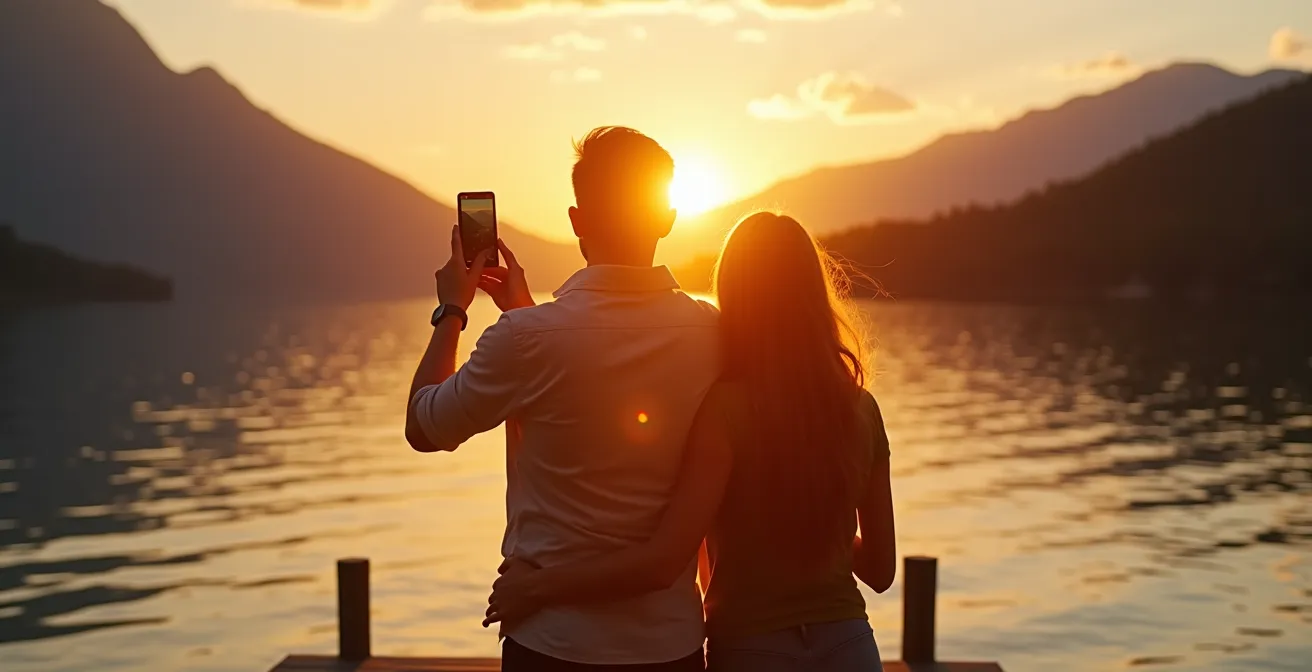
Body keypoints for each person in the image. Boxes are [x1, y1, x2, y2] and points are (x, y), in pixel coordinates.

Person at [483, 212, 897, 672]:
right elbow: (881, 571)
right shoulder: (861, 409)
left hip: (754, 649)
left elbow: (663, 562)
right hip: (849, 646)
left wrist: (537, 587)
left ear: (735, 296)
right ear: (814, 294)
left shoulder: (726, 410)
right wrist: (818, 515)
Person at [406, 126, 718, 671]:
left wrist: (452, 310)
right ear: (668, 218)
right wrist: (525, 314)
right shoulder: (713, 333)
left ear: (577, 220)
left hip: (553, 645)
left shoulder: (525, 340)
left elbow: (424, 426)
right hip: (671, 647)